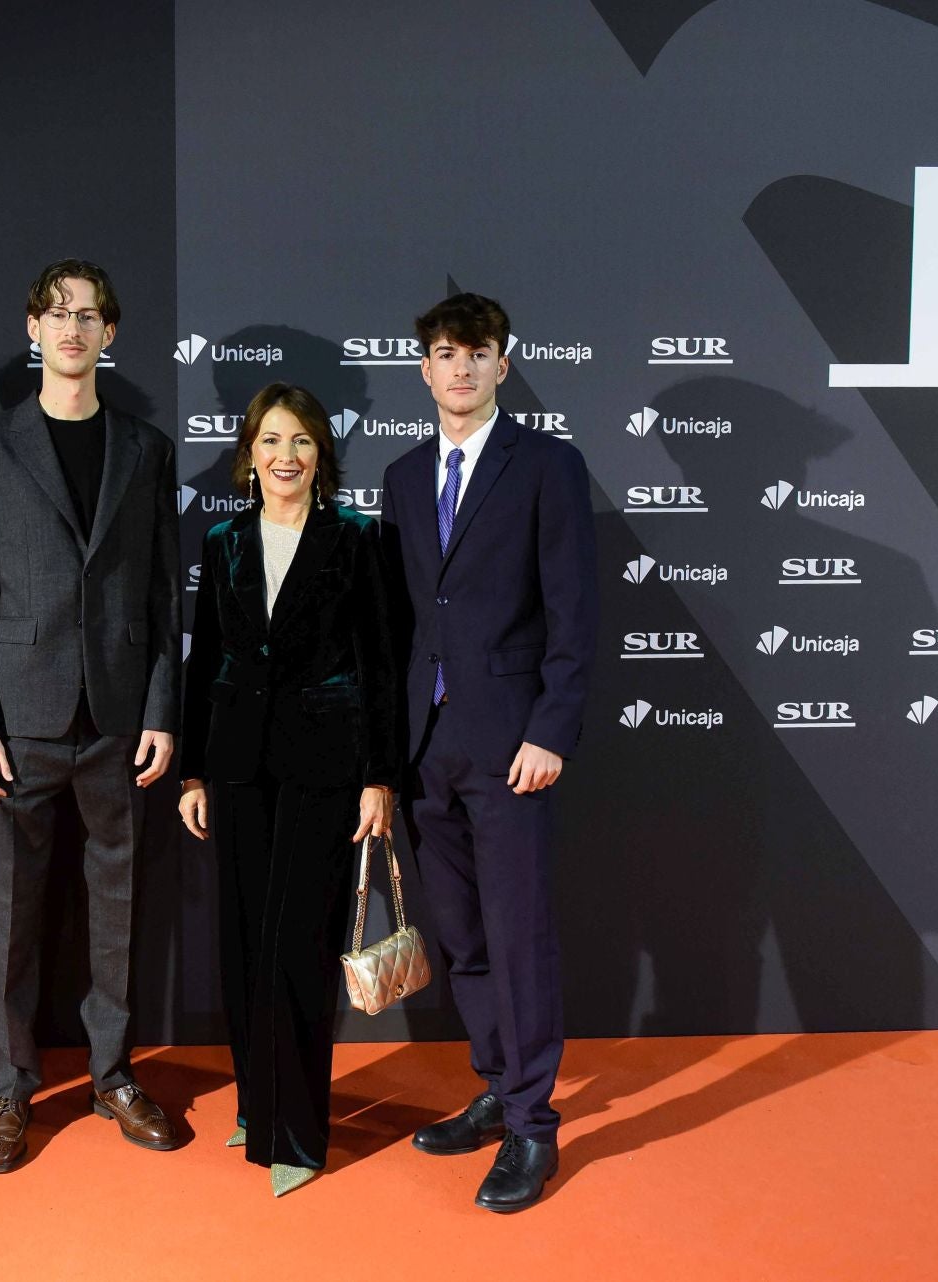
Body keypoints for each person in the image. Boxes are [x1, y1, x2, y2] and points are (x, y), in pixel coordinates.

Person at [0, 259, 183, 1172]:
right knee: (11, 909)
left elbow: (164, 594)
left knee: (116, 911)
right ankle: (9, 1091)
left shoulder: (145, 449)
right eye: (56, 313)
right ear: (32, 330)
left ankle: (114, 1074)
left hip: (119, 717)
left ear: (109, 334)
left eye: (89, 315)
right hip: (20, 721)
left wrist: (162, 707)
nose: (73, 328)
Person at [378, 292, 598, 1213]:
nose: (459, 367)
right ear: (423, 369)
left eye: (475, 351)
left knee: (518, 941)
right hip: (425, 747)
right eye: (442, 352)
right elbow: (396, 623)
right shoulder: (398, 476)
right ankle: (499, 1088)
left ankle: (534, 1130)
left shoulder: (546, 465)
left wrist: (551, 729)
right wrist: (384, 754)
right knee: (463, 941)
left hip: (511, 747)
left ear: (502, 364)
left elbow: (574, 611)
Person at [177, 383, 400, 1197]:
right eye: (272, 440)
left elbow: (381, 663)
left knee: (298, 951)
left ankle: (297, 1134)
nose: (286, 456)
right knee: (242, 950)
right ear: (249, 454)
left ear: (321, 456)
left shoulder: (354, 540)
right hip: (237, 765)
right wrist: (195, 769)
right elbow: (208, 662)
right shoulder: (224, 539)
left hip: (326, 766)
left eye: (302, 441)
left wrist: (381, 776)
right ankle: (255, 1104)